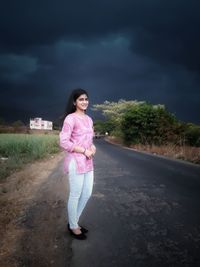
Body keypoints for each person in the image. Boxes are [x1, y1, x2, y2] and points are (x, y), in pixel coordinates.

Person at [59, 88, 96, 240]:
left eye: (86, 99)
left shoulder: (89, 119)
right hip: (76, 161)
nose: (84, 101)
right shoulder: (70, 119)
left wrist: (93, 147)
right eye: (81, 99)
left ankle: (73, 222)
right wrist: (83, 150)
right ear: (74, 102)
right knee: (75, 194)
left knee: (87, 193)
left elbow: (90, 140)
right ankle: (74, 225)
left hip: (88, 161)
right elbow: (63, 141)